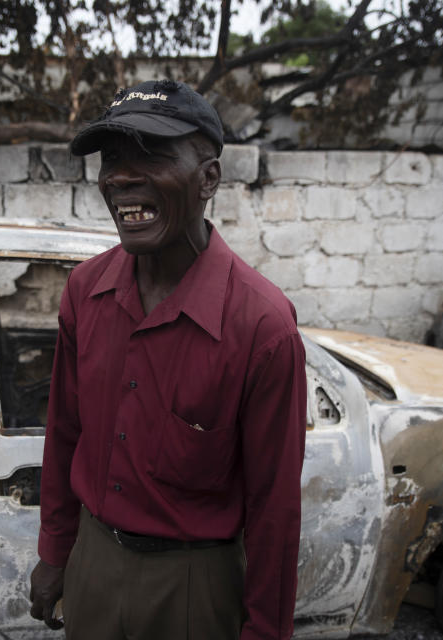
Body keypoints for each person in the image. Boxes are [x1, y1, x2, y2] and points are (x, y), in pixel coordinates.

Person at [29, 79, 306, 640]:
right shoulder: (85, 291)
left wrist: (265, 631)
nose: (121, 177)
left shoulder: (262, 326)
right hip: (94, 564)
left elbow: (275, 508)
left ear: (208, 178)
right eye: (112, 159)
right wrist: (57, 552)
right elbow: (64, 434)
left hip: (194, 586)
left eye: (152, 155)